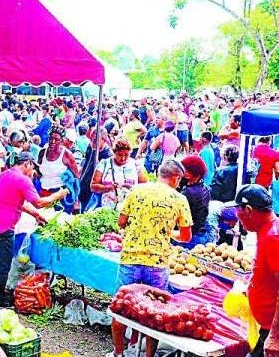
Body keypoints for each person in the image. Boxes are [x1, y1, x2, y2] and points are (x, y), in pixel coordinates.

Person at [109, 159, 193, 357]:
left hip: (131, 258)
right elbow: (186, 237)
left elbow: (121, 222)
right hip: (157, 264)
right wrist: (167, 233)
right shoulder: (179, 199)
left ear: (159, 173)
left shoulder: (136, 190)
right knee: (155, 313)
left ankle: (118, 353)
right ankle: (148, 355)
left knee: (120, 307)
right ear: (176, 178)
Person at [0, 152, 68, 308]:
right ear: (27, 164)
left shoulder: (5, 174)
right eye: (33, 168)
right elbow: (38, 202)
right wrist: (59, 194)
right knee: (2, 265)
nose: (33, 173)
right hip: (1, 228)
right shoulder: (23, 180)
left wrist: (36, 215)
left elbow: (18, 202)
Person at [227, 185, 279, 357]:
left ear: (248, 210)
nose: (237, 219)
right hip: (264, 325)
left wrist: (275, 337)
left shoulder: (273, 237)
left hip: (272, 329)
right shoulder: (265, 230)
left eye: (238, 214)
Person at [91, 137, 147, 210]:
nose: (123, 158)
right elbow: (93, 187)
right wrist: (109, 187)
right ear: (114, 152)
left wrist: (132, 188)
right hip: (108, 207)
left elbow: (145, 186)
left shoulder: (136, 165)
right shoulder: (104, 164)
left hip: (130, 207)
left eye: (126, 155)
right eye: (120, 155)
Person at [36, 125, 81, 213]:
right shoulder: (42, 153)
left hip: (61, 195)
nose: (52, 141)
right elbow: (39, 172)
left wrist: (76, 200)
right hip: (44, 193)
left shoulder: (67, 155)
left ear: (62, 141)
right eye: (51, 138)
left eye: (56, 139)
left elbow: (76, 177)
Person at [176, 156, 214, 248]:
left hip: (189, 237)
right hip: (200, 234)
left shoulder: (187, 193)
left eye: (185, 171)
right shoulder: (205, 188)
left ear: (195, 175)